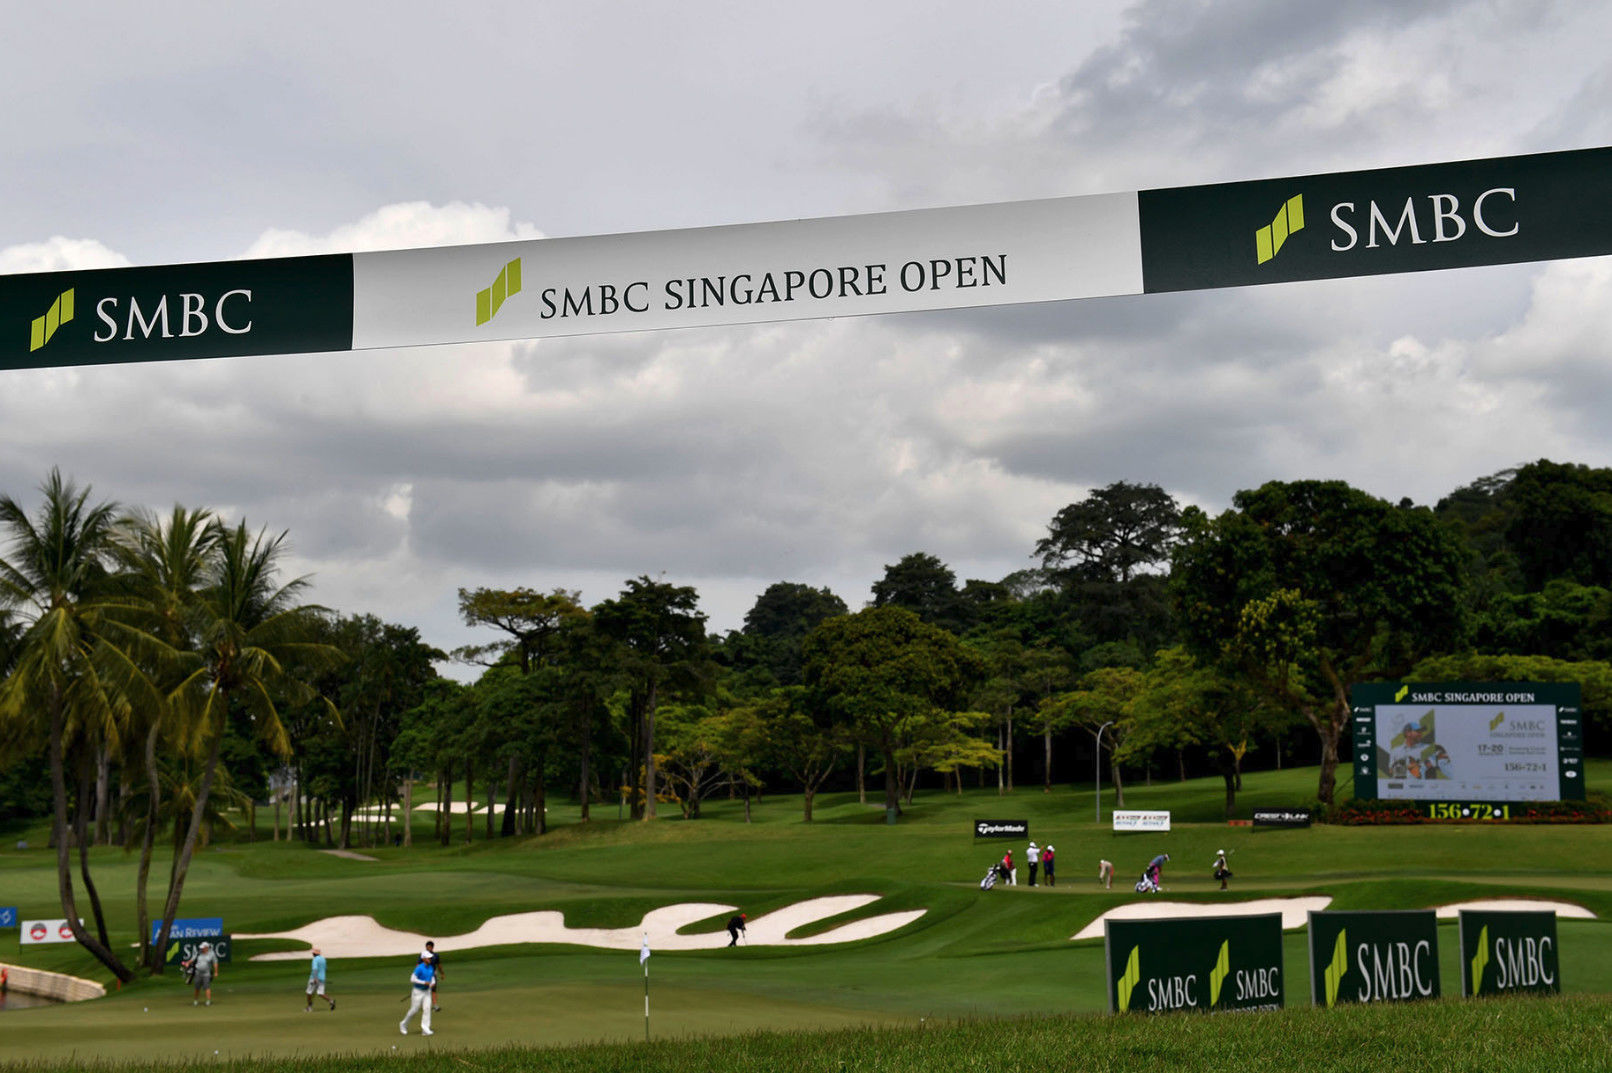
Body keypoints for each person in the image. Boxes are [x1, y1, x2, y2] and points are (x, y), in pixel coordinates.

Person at [399, 955, 435, 1036]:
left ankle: (425, 1029)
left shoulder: (431, 967)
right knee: (414, 1010)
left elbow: (432, 978)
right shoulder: (419, 968)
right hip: (418, 991)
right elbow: (412, 979)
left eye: (430, 958)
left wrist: (433, 983)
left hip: (427, 991)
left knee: (427, 1009)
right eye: (428, 958)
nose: (430, 959)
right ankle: (403, 1024)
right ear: (424, 959)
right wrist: (424, 982)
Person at [183, 940, 220, 1006]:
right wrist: (188, 963)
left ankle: (208, 1001)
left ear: (206, 948)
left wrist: (216, 972)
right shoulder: (198, 953)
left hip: (206, 973)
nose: (201, 949)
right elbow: (192, 959)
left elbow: (215, 963)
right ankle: (195, 1000)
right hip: (198, 973)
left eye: (203, 947)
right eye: (201, 947)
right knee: (197, 987)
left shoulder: (212, 954)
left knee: (207, 987)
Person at [305, 946, 335, 1011]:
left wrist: (315, 978)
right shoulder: (323, 959)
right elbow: (325, 968)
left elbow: (315, 969)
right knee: (320, 993)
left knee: (309, 992)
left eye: (313, 953)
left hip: (314, 978)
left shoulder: (315, 959)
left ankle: (309, 1007)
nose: (312, 954)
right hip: (322, 978)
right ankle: (331, 1001)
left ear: (314, 954)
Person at [423, 940, 442, 1012]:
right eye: (427, 947)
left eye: (429, 947)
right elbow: (418, 965)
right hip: (425, 975)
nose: (428, 949)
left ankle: (435, 1005)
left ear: (432, 948)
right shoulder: (423, 955)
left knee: (433, 990)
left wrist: (442, 973)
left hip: (433, 975)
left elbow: (439, 965)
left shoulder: (436, 955)